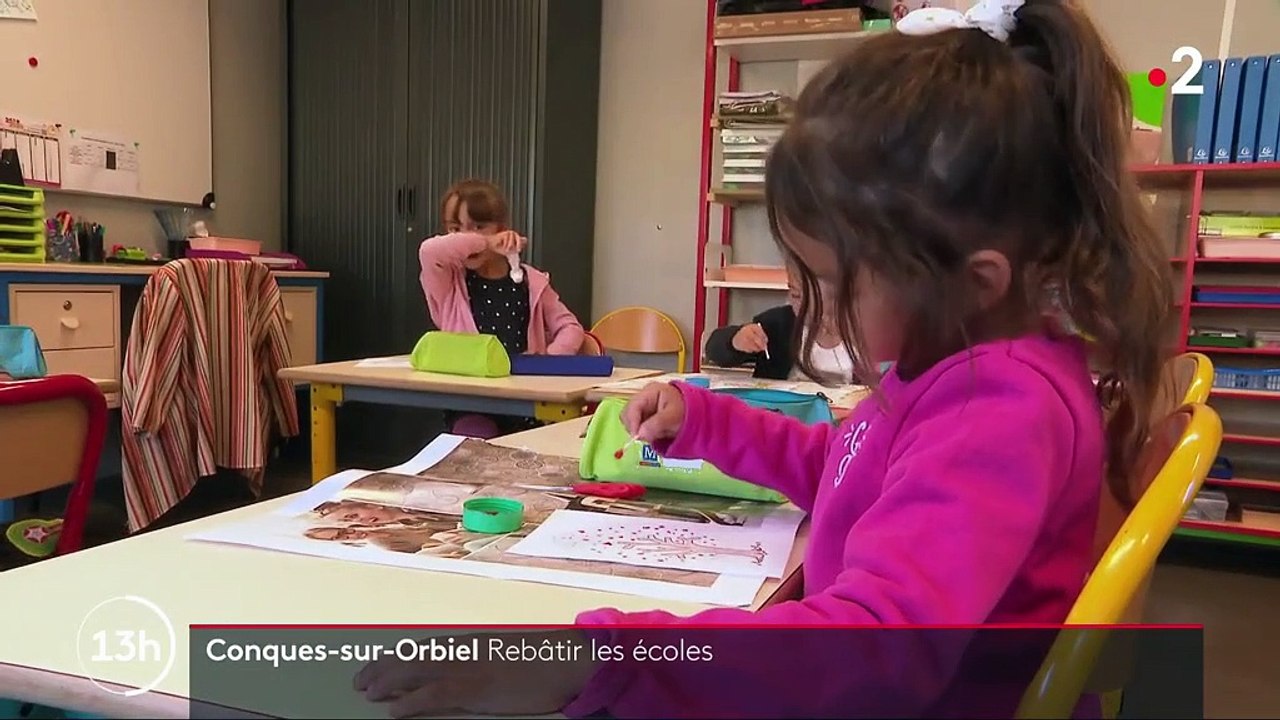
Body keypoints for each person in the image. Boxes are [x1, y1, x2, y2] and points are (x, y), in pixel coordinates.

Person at [354, 1, 1173, 716]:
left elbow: (874, 651)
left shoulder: (992, 409)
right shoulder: (959, 366)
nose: (811, 305)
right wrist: (707, 420)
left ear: (970, 281)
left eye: (832, 280)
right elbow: (847, 470)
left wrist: (599, 659)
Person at [419, 180, 585, 437]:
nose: (468, 237)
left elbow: (571, 328)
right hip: (470, 403)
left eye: (478, 227)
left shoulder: (531, 281)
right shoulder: (449, 282)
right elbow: (428, 251)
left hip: (524, 402)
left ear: (502, 228)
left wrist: (544, 363)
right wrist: (486, 242)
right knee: (474, 441)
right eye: (455, 229)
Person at [703, 263, 857, 384]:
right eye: (795, 294)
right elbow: (714, 350)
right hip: (781, 411)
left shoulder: (865, 329)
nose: (801, 305)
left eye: (814, 297)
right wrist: (735, 340)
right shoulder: (779, 323)